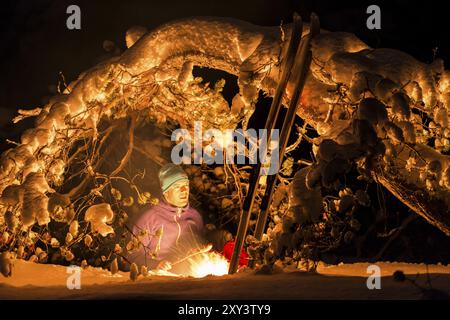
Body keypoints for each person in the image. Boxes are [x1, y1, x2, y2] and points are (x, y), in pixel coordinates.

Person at [128, 164, 204, 272]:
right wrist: (156, 265)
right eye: (177, 186)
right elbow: (131, 256)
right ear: (166, 192)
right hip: (156, 278)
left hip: (188, 275)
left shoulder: (194, 216)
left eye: (186, 185)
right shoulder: (149, 217)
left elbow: (199, 244)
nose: (184, 190)